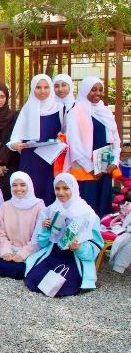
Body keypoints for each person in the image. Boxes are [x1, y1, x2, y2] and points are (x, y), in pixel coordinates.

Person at [24, 174, 103, 297]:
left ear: (74, 189)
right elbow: (43, 244)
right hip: (53, 254)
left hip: (74, 258)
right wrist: (45, 230)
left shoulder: (88, 214)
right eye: (57, 188)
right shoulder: (51, 210)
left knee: (65, 285)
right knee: (35, 279)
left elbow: (95, 248)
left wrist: (79, 248)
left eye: (66, 188)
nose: (61, 193)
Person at [66, 77, 120, 217]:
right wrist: (91, 168)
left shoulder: (105, 112)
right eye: (93, 89)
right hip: (86, 170)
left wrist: (114, 162)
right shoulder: (75, 112)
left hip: (104, 167)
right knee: (87, 207)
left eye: (100, 90)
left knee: (103, 208)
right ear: (85, 91)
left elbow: (115, 139)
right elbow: (74, 143)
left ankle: (100, 237)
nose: (98, 93)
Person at [7, 74, 65, 205]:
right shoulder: (27, 109)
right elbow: (16, 136)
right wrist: (15, 145)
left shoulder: (59, 108)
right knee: (31, 190)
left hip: (51, 159)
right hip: (31, 159)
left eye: (46, 87)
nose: (42, 91)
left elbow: (65, 133)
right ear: (33, 89)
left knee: (50, 191)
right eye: (38, 87)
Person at [0, 173, 44, 279]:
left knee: (19, 270)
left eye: (22, 185)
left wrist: (23, 254)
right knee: (0, 266)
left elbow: (38, 236)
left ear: (29, 186)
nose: (18, 188)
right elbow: (0, 234)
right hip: (10, 250)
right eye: (14, 185)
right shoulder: (5, 206)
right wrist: (6, 251)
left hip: (31, 250)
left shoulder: (39, 206)